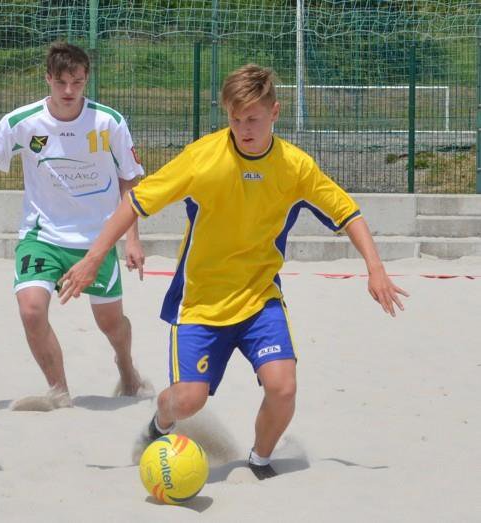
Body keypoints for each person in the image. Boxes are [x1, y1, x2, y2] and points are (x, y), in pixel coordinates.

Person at [57, 63, 409, 478]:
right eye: (235, 118)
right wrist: (94, 257)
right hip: (200, 304)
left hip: (260, 299)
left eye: (254, 119)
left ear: (274, 113)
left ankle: (258, 460)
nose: (244, 127)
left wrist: (376, 268)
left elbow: (347, 212)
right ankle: (159, 424)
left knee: (284, 388)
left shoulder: (295, 167)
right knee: (189, 400)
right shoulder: (203, 158)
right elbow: (135, 203)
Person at [0, 42, 151, 410]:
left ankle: (126, 366)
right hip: (41, 236)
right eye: (62, 82)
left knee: (111, 323)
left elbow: (129, 181)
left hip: (96, 240)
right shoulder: (22, 122)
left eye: (78, 82)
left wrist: (132, 238)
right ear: (48, 80)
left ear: (87, 80)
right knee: (32, 310)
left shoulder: (109, 122)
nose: (69, 91)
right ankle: (60, 392)